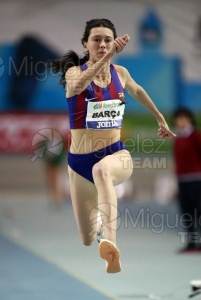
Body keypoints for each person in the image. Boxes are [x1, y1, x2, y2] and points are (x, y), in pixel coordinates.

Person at [49, 19, 175, 273]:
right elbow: (77, 86)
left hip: (116, 154)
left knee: (102, 171)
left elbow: (138, 91)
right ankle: (96, 229)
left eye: (108, 40)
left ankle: (111, 248)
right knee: (85, 239)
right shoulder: (74, 73)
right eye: (96, 40)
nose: (103, 44)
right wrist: (106, 60)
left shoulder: (121, 74)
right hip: (79, 163)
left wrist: (160, 118)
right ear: (86, 44)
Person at [172, 107, 201, 253]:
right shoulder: (178, 138)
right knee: (187, 212)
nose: (180, 121)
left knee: (198, 212)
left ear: (189, 120)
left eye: (183, 118)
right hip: (182, 180)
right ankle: (192, 243)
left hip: (196, 180)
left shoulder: (196, 136)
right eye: (178, 118)